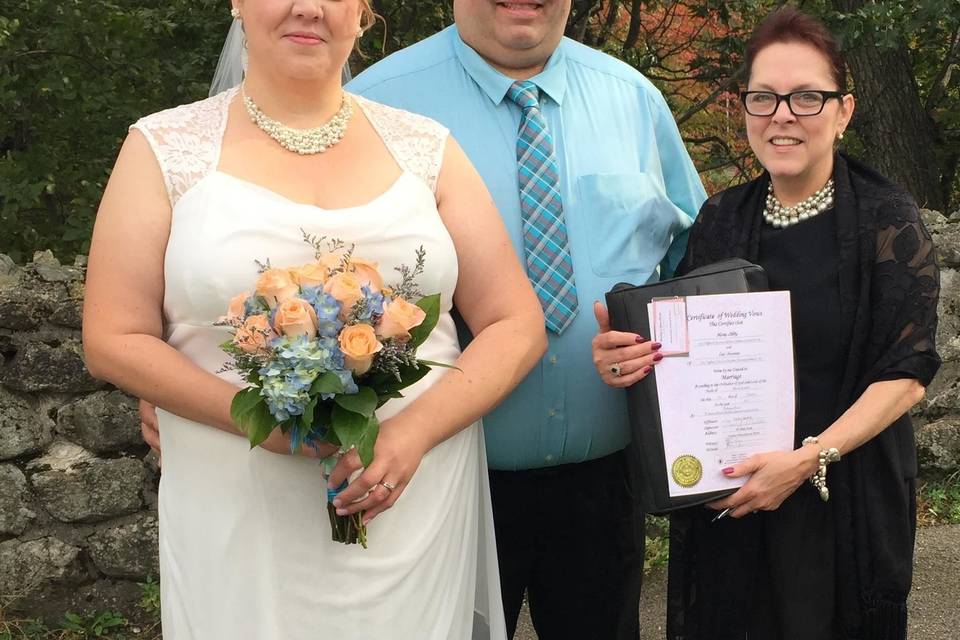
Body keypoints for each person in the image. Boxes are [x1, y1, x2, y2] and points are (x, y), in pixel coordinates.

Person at [83, 0, 547, 637]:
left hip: (411, 501)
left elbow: (516, 322)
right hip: (239, 503)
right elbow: (113, 337)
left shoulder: (425, 147)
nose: (309, 7)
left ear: (361, 12)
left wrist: (409, 435)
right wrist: (267, 426)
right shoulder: (164, 147)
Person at [343, 2, 706, 638]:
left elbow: (697, 266)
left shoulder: (635, 102)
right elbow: (296, 260)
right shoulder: (373, 107)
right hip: (442, 482)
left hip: (605, 485)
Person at [592, 7, 940, 639]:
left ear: (845, 110)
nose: (782, 115)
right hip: (732, 502)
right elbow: (683, 360)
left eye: (807, 96)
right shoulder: (720, 218)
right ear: (745, 107)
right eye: (764, 97)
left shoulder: (888, 221)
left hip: (840, 499)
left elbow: (907, 373)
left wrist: (810, 459)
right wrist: (630, 359)